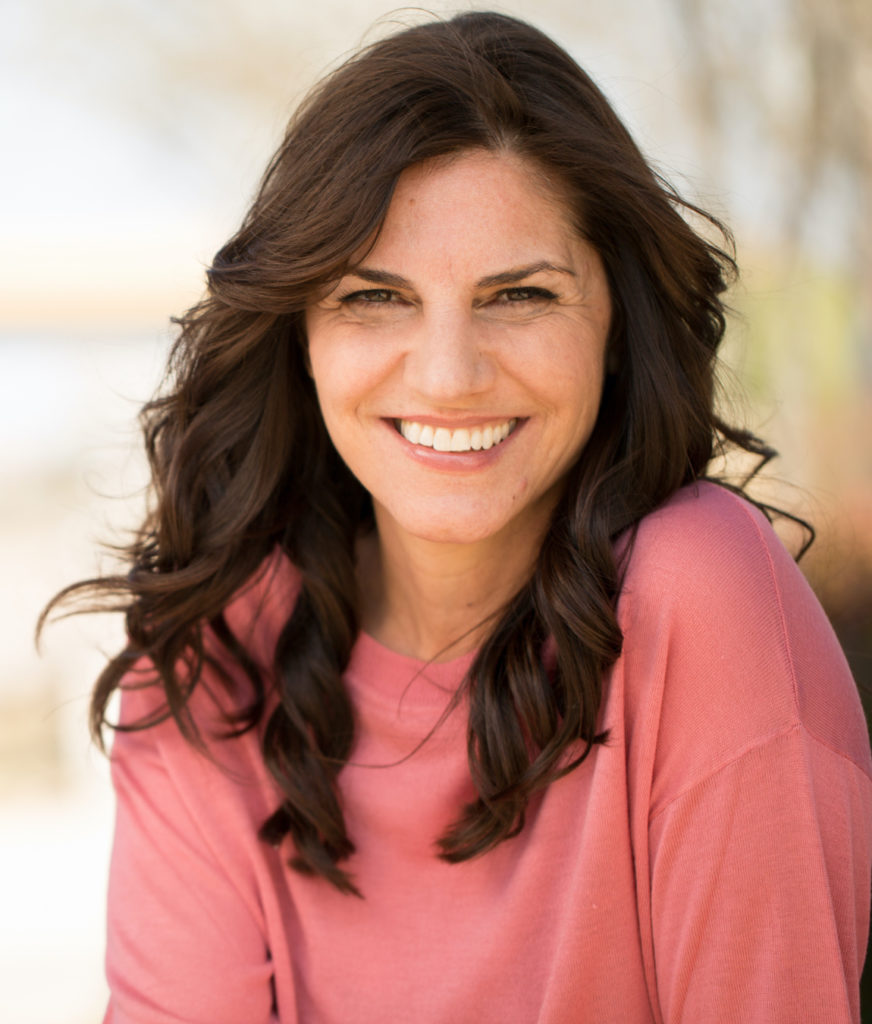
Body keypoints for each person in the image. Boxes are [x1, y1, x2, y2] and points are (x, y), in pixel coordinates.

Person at [46, 11, 871, 1023]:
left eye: (517, 294)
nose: (447, 374)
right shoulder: (207, 662)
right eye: (374, 297)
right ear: (298, 331)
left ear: (614, 323)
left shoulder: (700, 596)